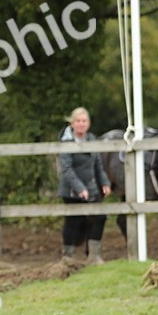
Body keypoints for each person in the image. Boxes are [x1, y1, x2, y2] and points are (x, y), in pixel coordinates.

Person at [57, 107, 111, 263]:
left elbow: (98, 165)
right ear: (72, 123)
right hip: (71, 190)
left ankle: (94, 255)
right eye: (78, 121)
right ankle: (68, 257)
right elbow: (66, 169)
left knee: (100, 216)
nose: (81, 124)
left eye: (84, 121)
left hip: (91, 187)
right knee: (73, 221)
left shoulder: (92, 139)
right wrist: (80, 188)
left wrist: (105, 183)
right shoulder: (66, 142)